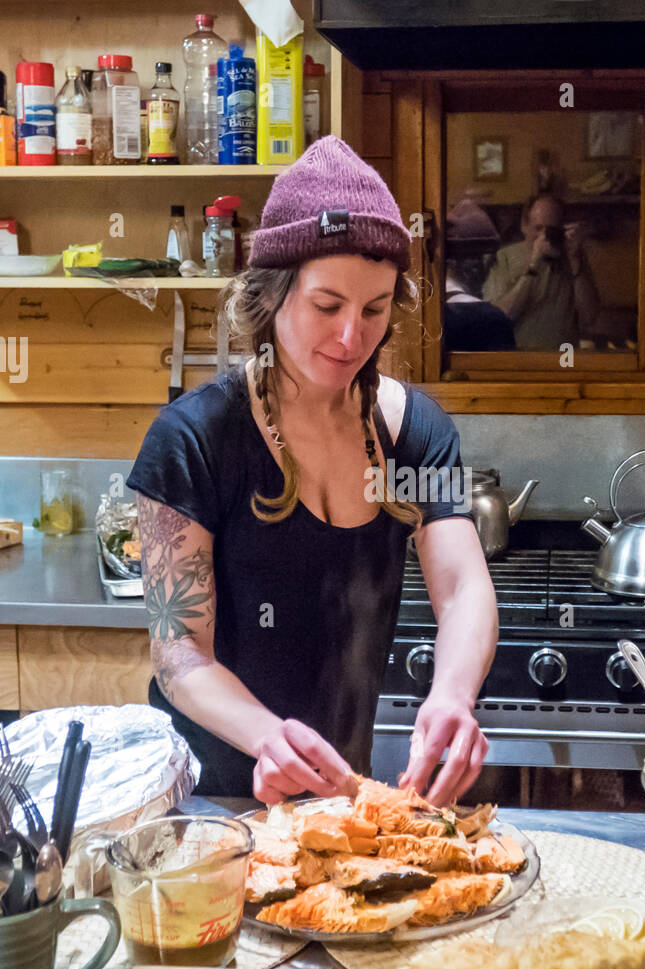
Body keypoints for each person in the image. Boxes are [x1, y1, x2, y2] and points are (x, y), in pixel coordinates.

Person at [127, 136, 498, 808]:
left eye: (376, 310)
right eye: (327, 306)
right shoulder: (193, 441)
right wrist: (268, 737)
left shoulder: (412, 437)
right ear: (271, 296)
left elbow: (463, 584)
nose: (352, 337)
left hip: (332, 800)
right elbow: (179, 654)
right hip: (204, 806)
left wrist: (453, 695)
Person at [483, 193, 599, 351]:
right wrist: (533, 265)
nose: (544, 236)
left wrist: (575, 259)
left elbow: (589, 317)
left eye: (552, 229)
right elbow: (500, 317)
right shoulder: (504, 258)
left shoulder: (572, 257)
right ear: (524, 226)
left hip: (562, 360)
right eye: (538, 228)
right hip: (516, 359)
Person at [443, 198, 515, 352]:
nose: (490, 270)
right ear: (478, 263)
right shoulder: (490, 320)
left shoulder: (423, 312)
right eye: (491, 262)